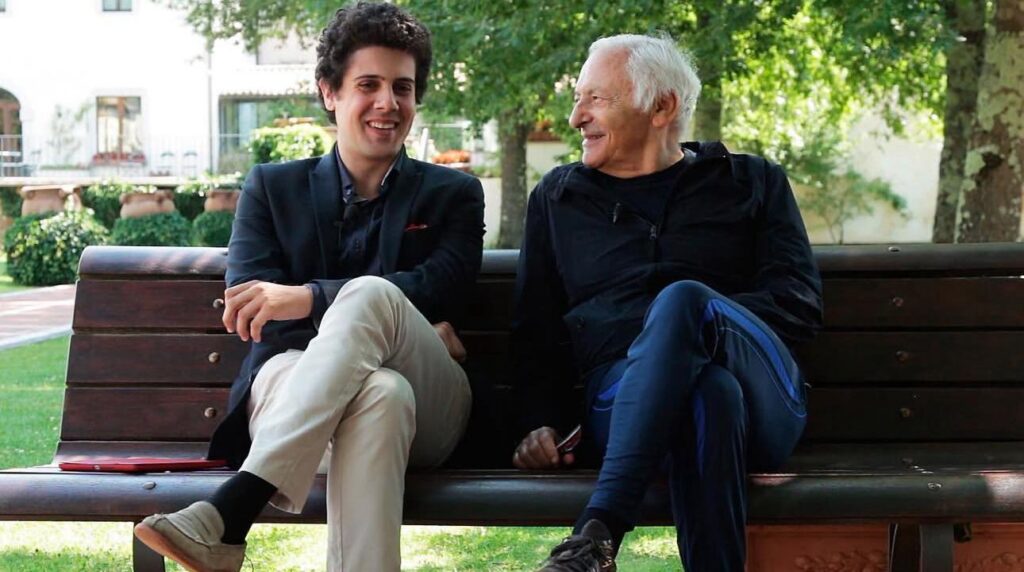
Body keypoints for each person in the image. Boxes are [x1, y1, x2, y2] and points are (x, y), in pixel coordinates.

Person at [133, 3, 484, 571]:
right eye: (368, 85)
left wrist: (306, 298)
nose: (388, 103)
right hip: (291, 391)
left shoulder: (455, 194)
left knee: (373, 299)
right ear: (329, 92)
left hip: (432, 411)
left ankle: (235, 508)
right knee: (382, 390)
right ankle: (231, 520)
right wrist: (402, 323)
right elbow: (253, 310)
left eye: (403, 88)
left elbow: (444, 288)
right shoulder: (272, 188)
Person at [511, 33, 823, 572]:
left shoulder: (750, 181)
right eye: (578, 99)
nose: (576, 118)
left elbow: (798, 304)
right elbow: (535, 329)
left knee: (684, 303)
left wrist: (687, 334)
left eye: (595, 99)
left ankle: (597, 531)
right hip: (622, 401)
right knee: (710, 393)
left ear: (662, 107)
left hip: (763, 400)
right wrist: (539, 421)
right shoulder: (559, 199)